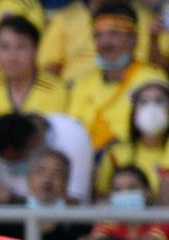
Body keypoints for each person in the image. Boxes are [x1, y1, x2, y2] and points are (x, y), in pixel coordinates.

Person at [66, 1, 166, 152]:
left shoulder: (151, 80)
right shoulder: (82, 84)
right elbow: (72, 134)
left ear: (134, 39)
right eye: (99, 35)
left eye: (115, 34)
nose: (105, 43)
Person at [0, 111, 92, 204]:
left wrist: (11, 201)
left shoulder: (73, 137)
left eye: (17, 159)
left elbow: (77, 204)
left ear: (34, 143)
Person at [0, 17, 67, 131]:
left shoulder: (55, 90)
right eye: (4, 47)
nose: (12, 57)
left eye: (21, 47)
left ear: (36, 51)